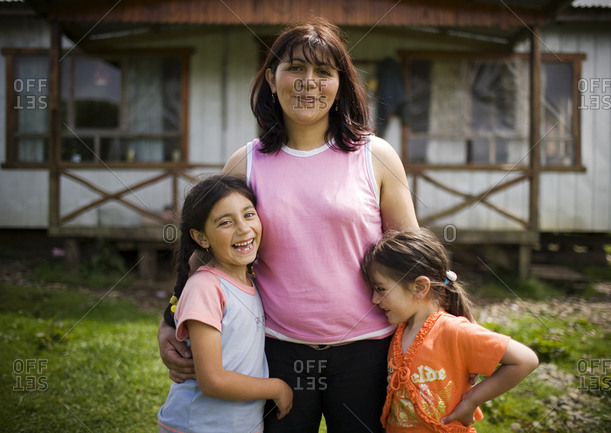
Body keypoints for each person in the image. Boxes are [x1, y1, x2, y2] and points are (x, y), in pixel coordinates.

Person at [158, 17, 418, 433]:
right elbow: (201, 251)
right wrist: (171, 319)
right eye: (295, 68)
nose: (308, 82)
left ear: (341, 84)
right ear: (271, 79)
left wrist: (443, 329)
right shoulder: (248, 162)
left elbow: (412, 260)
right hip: (276, 351)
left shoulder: (377, 156)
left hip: (368, 351)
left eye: (323, 72)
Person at [361, 228, 539, 432]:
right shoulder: (398, 330)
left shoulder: (454, 330)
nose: (374, 299)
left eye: (381, 289)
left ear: (419, 287)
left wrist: (472, 401)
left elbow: (525, 360)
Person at [157, 174, 293, 433]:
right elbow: (212, 381)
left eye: (249, 215)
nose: (243, 229)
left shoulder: (252, 283)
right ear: (201, 237)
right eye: (226, 222)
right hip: (198, 426)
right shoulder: (205, 288)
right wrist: (276, 388)